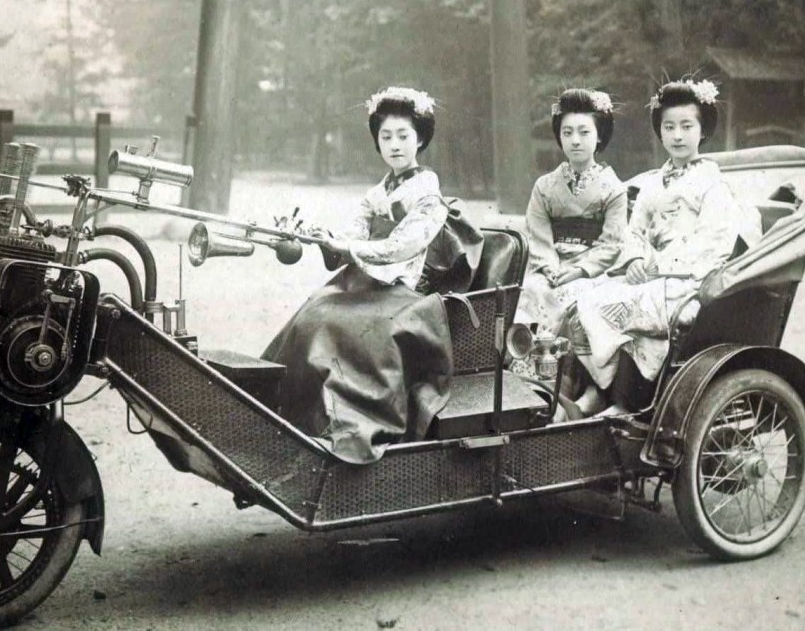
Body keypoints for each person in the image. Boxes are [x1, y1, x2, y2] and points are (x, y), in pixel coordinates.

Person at [262, 86, 480, 464]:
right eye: (386, 136)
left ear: (421, 139)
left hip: (405, 290)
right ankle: (292, 420)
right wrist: (322, 238)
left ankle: (349, 431)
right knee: (314, 315)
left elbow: (403, 247)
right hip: (366, 283)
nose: (394, 145)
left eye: (403, 136)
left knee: (345, 330)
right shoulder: (377, 192)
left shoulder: (428, 194)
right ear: (377, 142)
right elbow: (354, 234)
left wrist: (350, 249)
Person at [568, 79, 761, 412]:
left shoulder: (714, 183)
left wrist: (659, 266)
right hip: (650, 275)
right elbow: (635, 230)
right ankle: (591, 391)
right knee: (583, 296)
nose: (677, 135)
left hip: (689, 280)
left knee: (631, 309)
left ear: (703, 130)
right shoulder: (654, 181)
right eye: (669, 127)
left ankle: (624, 403)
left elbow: (712, 244)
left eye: (687, 126)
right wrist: (635, 260)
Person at [517, 88, 627, 337]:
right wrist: (550, 268)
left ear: (599, 137)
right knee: (529, 292)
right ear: (559, 136)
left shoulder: (613, 189)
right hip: (550, 267)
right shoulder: (544, 186)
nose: (575, 140)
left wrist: (579, 270)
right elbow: (538, 235)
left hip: (592, 271)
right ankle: (529, 367)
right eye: (567, 133)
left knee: (582, 301)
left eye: (584, 132)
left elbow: (612, 244)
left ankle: (568, 373)